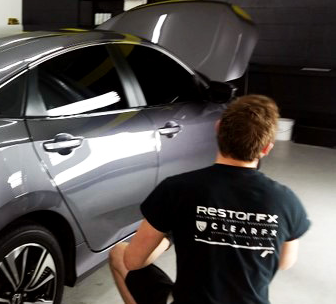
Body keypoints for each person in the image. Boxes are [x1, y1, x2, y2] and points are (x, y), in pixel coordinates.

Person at [109, 95, 311, 304]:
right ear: (267, 148)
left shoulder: (176, 189)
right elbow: (285, 262)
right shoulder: (286, 200)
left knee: (118, 253)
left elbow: (132, 261)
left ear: (218, 128)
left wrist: (170, 238)